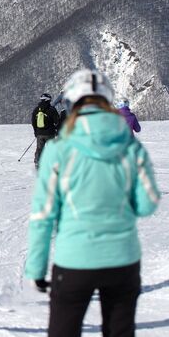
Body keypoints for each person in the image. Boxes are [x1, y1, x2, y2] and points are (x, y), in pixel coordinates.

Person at [25, 69, 160, 337]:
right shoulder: (130, 146)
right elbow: (147, 203)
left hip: (74, 260)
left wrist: (36, 268)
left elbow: (43, 214)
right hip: (122, 260)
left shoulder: (57, 150)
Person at [31, 93, 60, 170]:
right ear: (48, 100)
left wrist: (36, 132)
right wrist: (56, 130)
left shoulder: (36, 110)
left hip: (39, 134)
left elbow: (33, 122)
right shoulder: (52, 109)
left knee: (39, 149)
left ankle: (37, 163)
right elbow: (57, 121)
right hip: (50, 133)